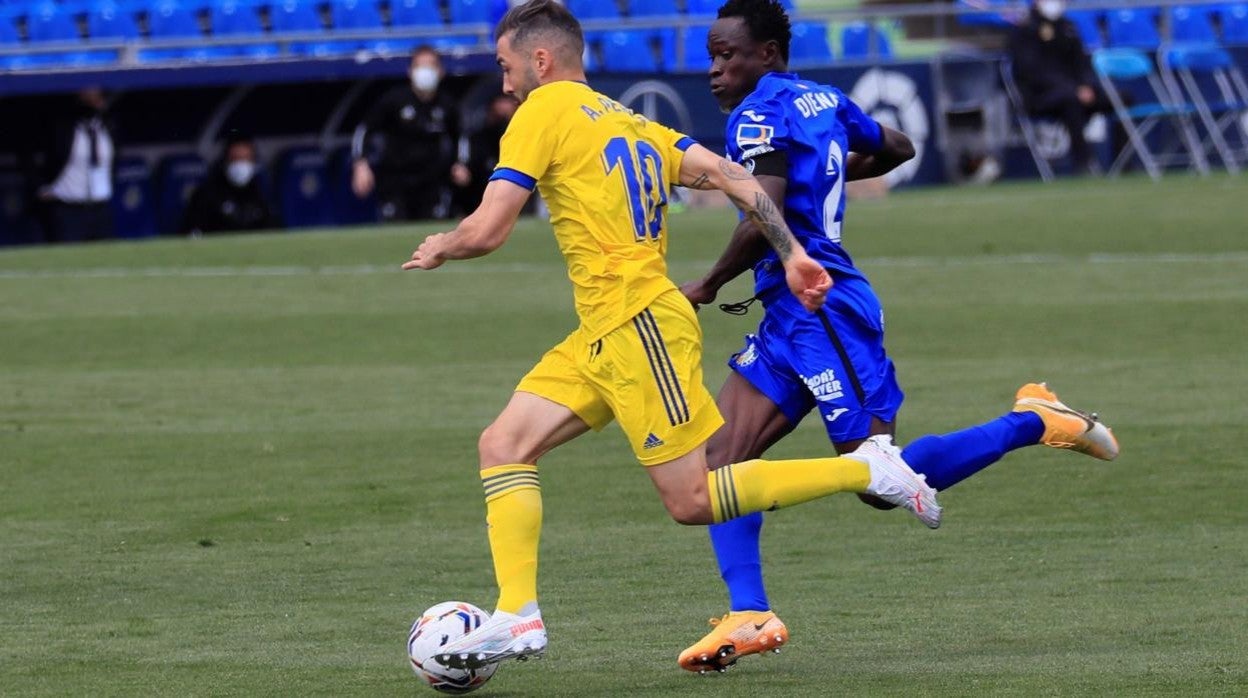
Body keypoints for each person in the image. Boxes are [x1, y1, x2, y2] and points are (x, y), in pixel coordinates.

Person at [402, 0, 943, 672]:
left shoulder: (540, 112)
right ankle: (518, 616)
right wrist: (793, 251)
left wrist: (444, 245)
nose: (504, 82)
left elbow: (488, 230)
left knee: (692, 500)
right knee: (504, 444)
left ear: (540, 61)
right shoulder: (631, 121)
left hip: (639, 327)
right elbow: (734, 177)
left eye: (506, 66)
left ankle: (868, 468)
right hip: (602, 332)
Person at [675, 0, 1121, 673]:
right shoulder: (822, 97)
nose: (715, 70)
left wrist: (705, 286)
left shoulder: (757, 114)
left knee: (880, 480)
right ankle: (751, 612)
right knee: (718, 464)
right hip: (786, 315)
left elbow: (758, 212)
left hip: (824, 308)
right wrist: (821, 170)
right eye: (711, 56)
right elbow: (898, 148)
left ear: (767, 54)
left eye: (727, 54)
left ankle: (1033, 421)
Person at [351, 46, 468, 222]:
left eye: (431, 66)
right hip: (395, 181)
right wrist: (361, 164)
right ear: (410, 71)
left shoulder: (447, 105)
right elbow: (365, 130)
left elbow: (460, 136)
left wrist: (461, 164)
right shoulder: (394, 100)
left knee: (433, 234)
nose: (425, 72)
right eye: (420, 66)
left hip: (432, 182)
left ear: (441, 71)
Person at [1007, 0, 1114, 174]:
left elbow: (1082, 64)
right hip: (1041, 97)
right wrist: (1074, 89)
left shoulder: (1068, 27)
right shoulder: (1024, 30)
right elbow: (1030, 71)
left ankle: (1125, 164)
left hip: (1077, 92)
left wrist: (1087, 86)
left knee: (1122, 99)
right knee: (1071, 102)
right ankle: (1083, 164)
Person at [38, 88, 116, 243]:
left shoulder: (109, 128)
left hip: (101, 209)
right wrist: (39, 186)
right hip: (68, 210)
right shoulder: (63, 129)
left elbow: (114, 163)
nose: (94, 101)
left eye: (97, 97)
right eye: (88, 97)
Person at [180, 132, 279, 236]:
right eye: (236, 158)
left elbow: (274, 231)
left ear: (254, 162)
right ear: (226, 161)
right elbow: (191, 233)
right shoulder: (206, 195)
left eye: (245, 159)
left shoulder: (261, 194)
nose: (241, 165)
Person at [453, 93, 520, 214]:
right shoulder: (477, 129)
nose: (507, 106)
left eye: (509, 101)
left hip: (506, 179)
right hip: (477, 182)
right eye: (503, 101)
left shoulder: (515, 128)